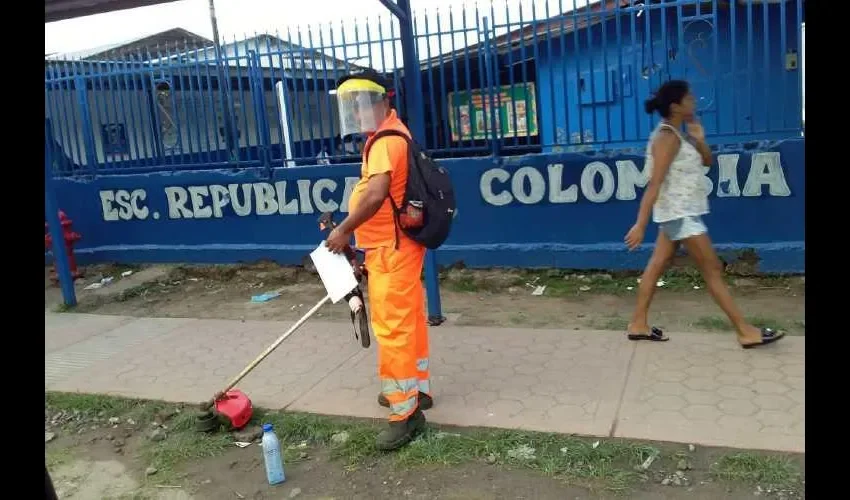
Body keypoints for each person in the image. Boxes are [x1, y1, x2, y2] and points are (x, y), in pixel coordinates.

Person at [624, 80, 785, 349]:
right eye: (689, 99)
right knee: (711, 269)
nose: (694, 102)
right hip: (681, 214)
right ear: (676, 106)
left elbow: (708, 161)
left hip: (680, 212)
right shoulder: (666, 137)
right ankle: (745, 331)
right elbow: (655, 183)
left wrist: (700, 141)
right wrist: (640, 224)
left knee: (657, 264)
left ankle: (638, 324)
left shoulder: (680, 135)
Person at [325, 69, 431, 450]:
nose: (355, 111)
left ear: (381, 100)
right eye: (350, 105)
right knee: (411, 319)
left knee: (393, 329)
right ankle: (416, 390)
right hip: (396, 246)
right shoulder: (391, 133)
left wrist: (344, 231)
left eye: (361, 102)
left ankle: (405, 414)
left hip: (392, 248)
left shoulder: (385, 140)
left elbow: (375, 196)